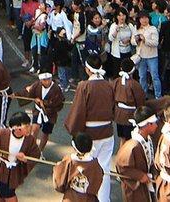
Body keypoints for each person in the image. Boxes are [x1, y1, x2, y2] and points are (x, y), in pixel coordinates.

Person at [63, 53, 115, 202]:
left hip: (90, 135)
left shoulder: (84, 86)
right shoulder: (108, 85)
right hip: (107, 132)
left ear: (87, 69)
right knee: (104, 168)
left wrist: (75, 132)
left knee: (85, 168)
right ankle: (105, 199)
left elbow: (78, 110)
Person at [113, 107, 158, 202]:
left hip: (147, 183)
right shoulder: (132, 146)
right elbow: (121, 167)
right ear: (146, 125)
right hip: (136, 189)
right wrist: (140, 176)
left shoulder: (148, 139)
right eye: (154, 123)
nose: (156, 126)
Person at [19, 71, 65, 152]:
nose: (47, 82)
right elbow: (29, 93)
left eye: (49, 79)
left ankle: (40, 151)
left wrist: (42, 102)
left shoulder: (56, 88)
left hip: (50, 113)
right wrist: (16, 95)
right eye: (44, 80)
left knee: (45, 133)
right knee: (34, 129)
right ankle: (31, 149)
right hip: (38, 110)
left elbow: (56, 102)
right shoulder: (37, 85)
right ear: (41, 80)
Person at [52, 133, 104, 202]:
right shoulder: (95, 164)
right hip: (88, 198)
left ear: (74, 146)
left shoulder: (69, 160)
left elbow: (59, 181)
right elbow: (98, 179)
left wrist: (58, 167)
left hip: (70, 197)